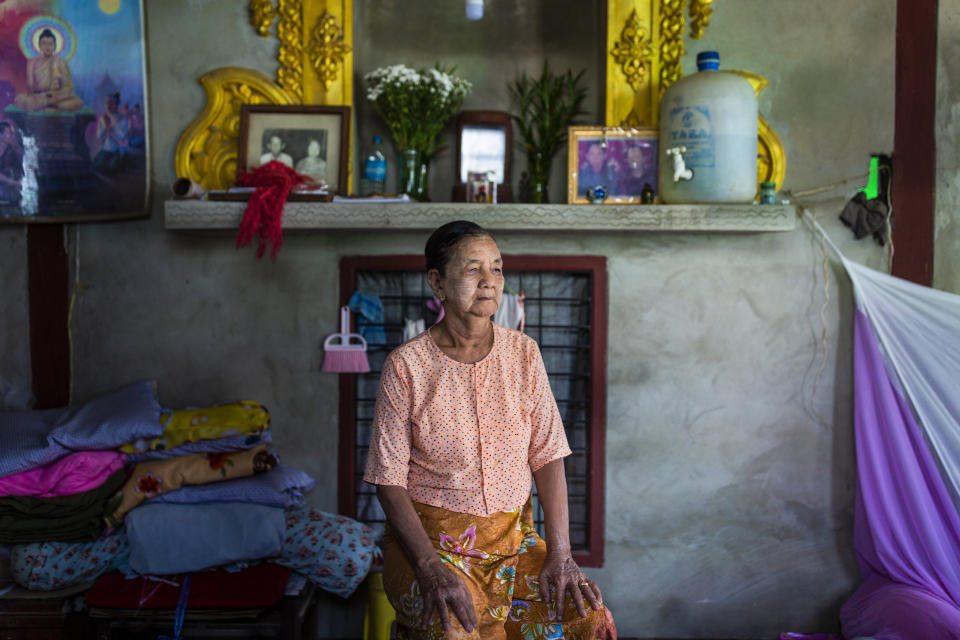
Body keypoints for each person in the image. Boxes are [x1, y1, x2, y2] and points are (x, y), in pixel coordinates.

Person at [364, 220, 616, 639]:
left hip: (513, 542)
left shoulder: (524, 354)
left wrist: (561, 553)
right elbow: (387, 481)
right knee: (451, 627)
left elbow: (548, 455)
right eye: (472, 269)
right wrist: (428, 567)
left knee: (583, 615)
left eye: (497, 269)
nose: (489, 281)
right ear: (437, 282)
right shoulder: (406, 366)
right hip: (430, 547)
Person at [13, 28, 84, 112]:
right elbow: (30, 87)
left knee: (78, 102)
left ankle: (47, 106)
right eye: (44, 43)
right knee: (20, 100)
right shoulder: (32, 63)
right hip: (39, 97)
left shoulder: (60, 62)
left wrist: (55, 95)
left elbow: (68, 87)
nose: (47, 47)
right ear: (39, 45)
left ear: (55, 46)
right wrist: (41, 95)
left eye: (50, 44)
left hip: (57, 96)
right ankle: (52, 107)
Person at [93, 93, 129, 174]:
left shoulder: (123, 118)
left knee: (112, 168)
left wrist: (110, 127)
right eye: (107, 103)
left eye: (111, 103)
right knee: (95, 166)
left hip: (117, 149)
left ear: (116, 105)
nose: (108, 106)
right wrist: (106, 127)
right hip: (106, 148)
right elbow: (99, 136)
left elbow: (121, 136)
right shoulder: (103, 118)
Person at [0, 122, 23, 204]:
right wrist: (12, 182)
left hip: (9, 186)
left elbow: (21, 168)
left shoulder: (12, 151)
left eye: (13, 134)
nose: (12, 136)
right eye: (9, 133)